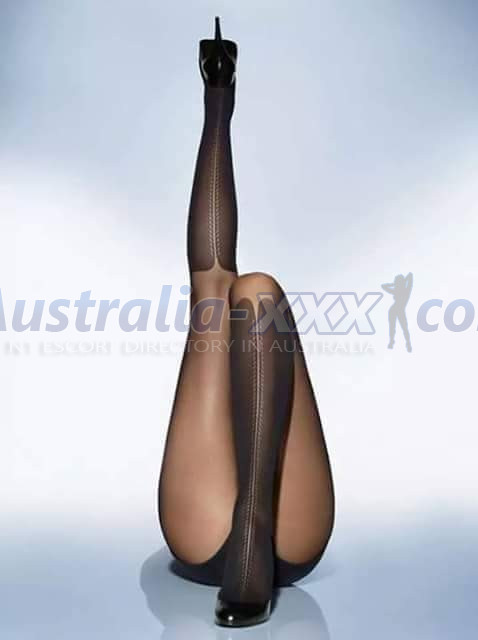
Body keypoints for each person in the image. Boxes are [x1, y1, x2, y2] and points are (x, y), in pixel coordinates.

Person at [157, 17, 334, 628]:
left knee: (231, 290)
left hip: (224, 529)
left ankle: (217, 101)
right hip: (254, 527)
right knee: (243, 290)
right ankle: (219, 101)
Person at [381, 273, 413, 352]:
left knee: (404, 328)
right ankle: (392, 341)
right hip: (394, 310)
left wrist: (403, 281)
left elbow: (410, 275)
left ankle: (408, 343)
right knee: (393, 327)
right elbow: (383, 286)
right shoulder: (397, 291)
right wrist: (394, 284)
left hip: (399, 310)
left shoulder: (406, 290)